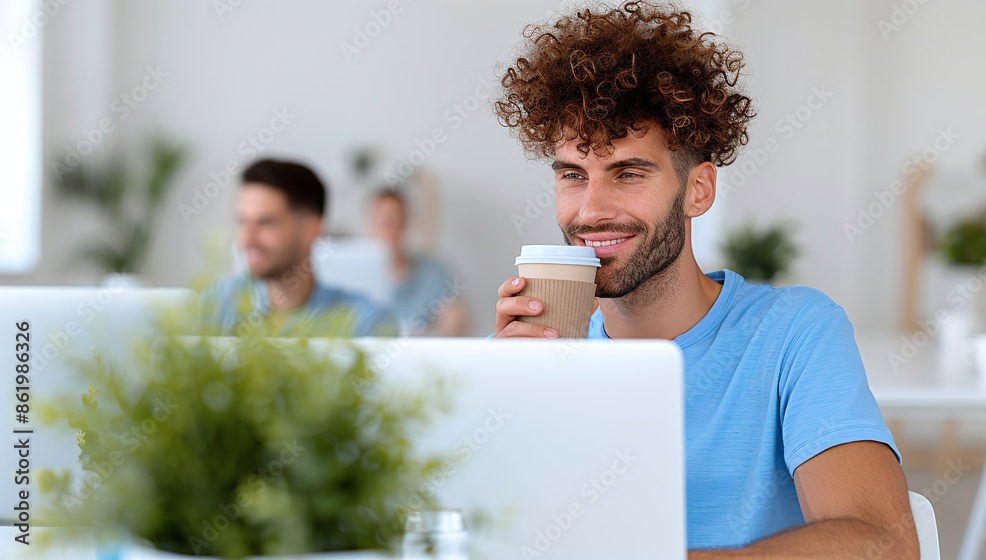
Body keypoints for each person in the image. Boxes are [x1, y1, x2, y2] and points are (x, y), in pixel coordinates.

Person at [491, 2, 919, 557]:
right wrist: (502, 402)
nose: (590, 210)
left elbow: (883, 543)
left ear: (699, 189)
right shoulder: (527, 355)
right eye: (573, 175)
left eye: (627, 173)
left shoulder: (794, 334)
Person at [202, 159, 396, 337]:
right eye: (242, 222)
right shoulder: (217, 307)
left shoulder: (364, 323)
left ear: (310, 229)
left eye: (266, 222)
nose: (247, 239)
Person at [368, 188, 468, 336]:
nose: (388, 231)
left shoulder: (434, 272)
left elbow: (454, 317)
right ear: (370, 225)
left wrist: (453, 320)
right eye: (382, 222)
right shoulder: (358, 278)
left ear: (406, 223)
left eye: (394, 221)